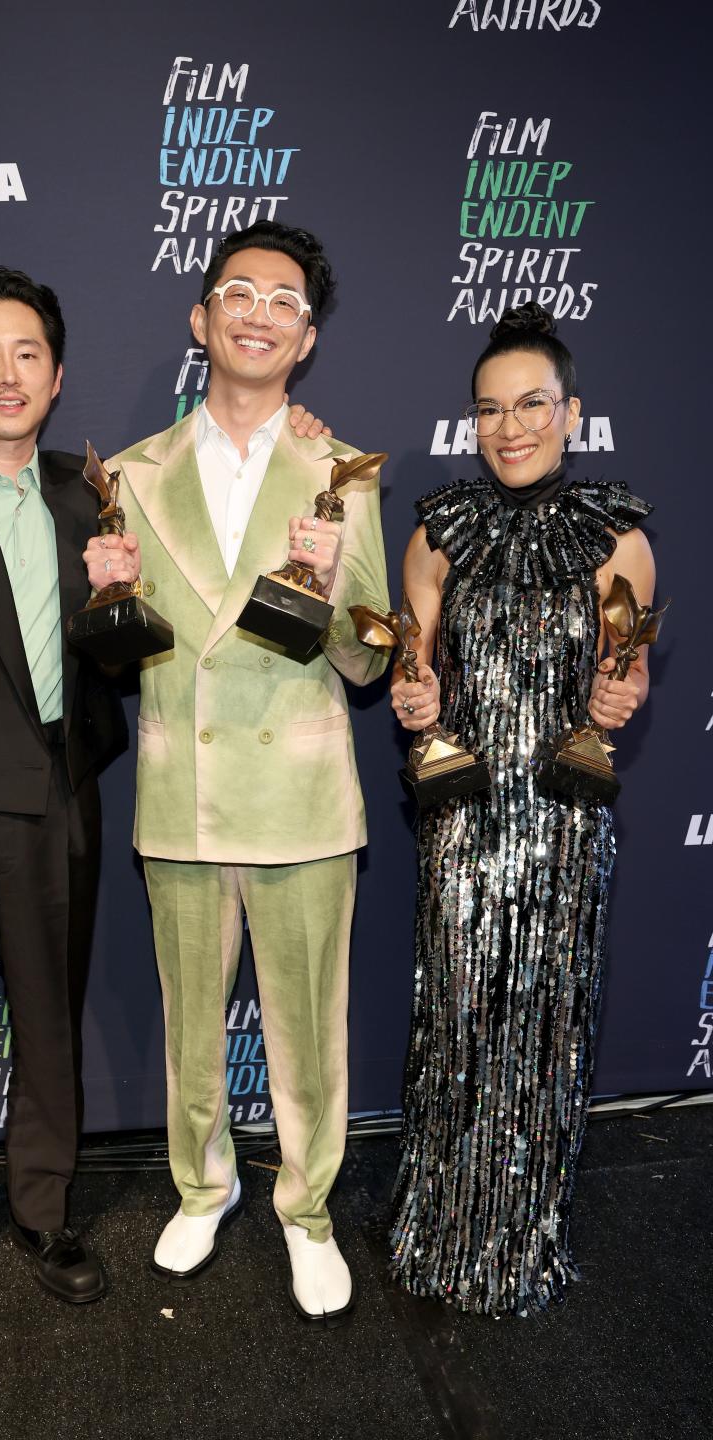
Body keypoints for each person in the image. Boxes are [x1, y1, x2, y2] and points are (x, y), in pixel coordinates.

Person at [0, 265, 328, 1342]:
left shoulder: (87, 490)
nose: (8, 372)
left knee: (49, 1033)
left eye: (29, 354)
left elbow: (117, 662)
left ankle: (45, 1220)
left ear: (57, 377)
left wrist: (113, 603)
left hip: (54, 800)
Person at [85, 221, 390, 1324]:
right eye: (239, 293)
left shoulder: (339, 471)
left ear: (305, 338)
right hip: (185, 796)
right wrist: (104, 597)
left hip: (303, 803)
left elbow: (367, 658)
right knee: (189, 1025)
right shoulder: (126, 476)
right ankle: (202, 1189)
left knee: (312, 1025)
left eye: (285, 301)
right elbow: (117, 654)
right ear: (202, 318)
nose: (260, 313)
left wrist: (329, 581)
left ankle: (306, 1213)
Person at [387, 303, 656, 1316]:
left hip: (561, 819)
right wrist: (415, 698)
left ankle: (523, 1232)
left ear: (571, 412)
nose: (511, 427)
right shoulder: (437, 530)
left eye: (532, 404)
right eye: (491, 409)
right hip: (463, 816)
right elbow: (415, 669)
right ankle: (440, 1228)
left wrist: (622, 694)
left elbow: (624, 676)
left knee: (544, 1024)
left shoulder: (617, 538)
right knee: (457, 1016)